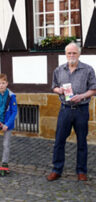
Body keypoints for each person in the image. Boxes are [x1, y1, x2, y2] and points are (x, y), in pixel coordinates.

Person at [47, 43, 96, 181]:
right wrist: (59, 90)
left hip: (82, 110)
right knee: (59, 141)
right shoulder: (59, 70)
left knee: (82, 141)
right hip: (65, 109)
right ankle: (56, 169)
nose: (71, 56)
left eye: (74, 53)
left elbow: (94, 89)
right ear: (65, 54)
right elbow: (54, 87)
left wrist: (82, 96)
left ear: (79, 54)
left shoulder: (88, 70)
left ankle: (81, 171)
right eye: (69, 53)